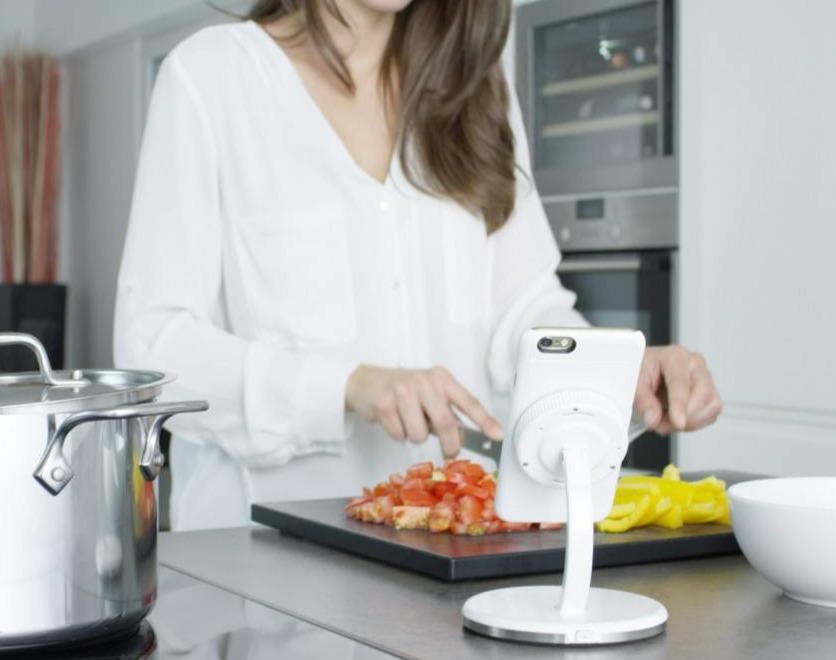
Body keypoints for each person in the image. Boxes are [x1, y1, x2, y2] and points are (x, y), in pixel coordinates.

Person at [114, 0, 721, 531]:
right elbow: (155, 349)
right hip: (269, 575)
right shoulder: (210, 78)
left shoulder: (476, 91)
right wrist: (349, 384)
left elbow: (527, 312)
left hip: (462, 554)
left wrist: (619, 370)